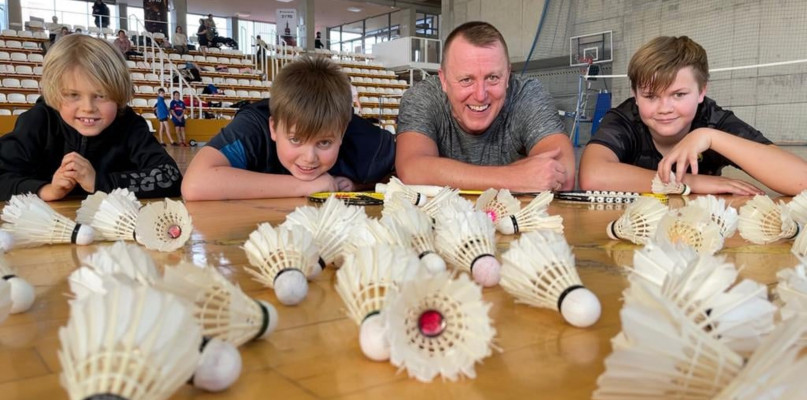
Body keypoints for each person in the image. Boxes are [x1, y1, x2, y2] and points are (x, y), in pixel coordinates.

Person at [579, 36, 807, 196]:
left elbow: (802, 179)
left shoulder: (714, 120)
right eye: (650, 96)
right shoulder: (624, 118)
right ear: (635, 95)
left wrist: (710, 137)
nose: (664, 108)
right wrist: (691, 182)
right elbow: (592, 176)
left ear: (702, 91)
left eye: (678, 94)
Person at [181, 56, 396, 200]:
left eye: (324, 142)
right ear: (273, 127)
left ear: (342, 132)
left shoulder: (367, 141)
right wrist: (305, 187)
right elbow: (194, 184)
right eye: (296, 139)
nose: (309, 157)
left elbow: (403, 174)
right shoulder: (253, 127)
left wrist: (358, 186)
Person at [395, 21, 575, 192]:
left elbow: (563, 175)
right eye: (466, 80)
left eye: (493, 78)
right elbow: (411, 170)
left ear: (507, 76)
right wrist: (513, 177)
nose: (480, 95)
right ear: (443, 80)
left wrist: (441, 174)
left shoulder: (527, 94)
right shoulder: (423, 97)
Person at [0, 34, 181, 201]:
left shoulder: (129, 125)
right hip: (44, 230)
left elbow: (170, 176)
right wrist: (45, 189)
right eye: (73, 95)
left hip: (114, 229)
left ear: (118, 94)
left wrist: (100, 183)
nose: (88, 108)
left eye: (101, 96)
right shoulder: (39, 121)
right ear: (55, 93)